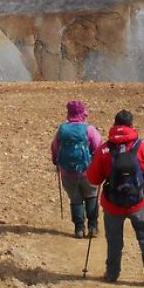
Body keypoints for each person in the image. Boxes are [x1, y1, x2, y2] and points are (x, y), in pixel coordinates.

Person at [86, 109, 144, 284]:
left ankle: (112, 273)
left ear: (114, 125)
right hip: (138, 203)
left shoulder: (104, 150)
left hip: (112, 205)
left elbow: (93, 179)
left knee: (114, 240)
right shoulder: (143, 147)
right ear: (131, 126)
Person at [50, 99, 104, 238]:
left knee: (75, 199)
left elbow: (55, 147)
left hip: (67, 172)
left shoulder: (62, 130)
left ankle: (79, 229)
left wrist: (56, 162)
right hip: (87, 171)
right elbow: (98, 147)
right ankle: (93, 227)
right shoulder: (89, 129)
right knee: (91, 196)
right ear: (82, 113)